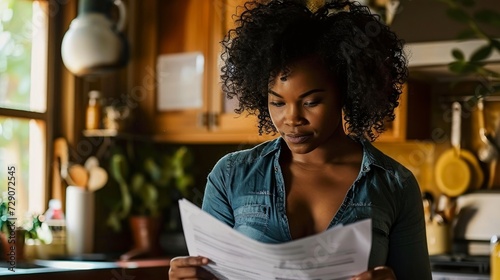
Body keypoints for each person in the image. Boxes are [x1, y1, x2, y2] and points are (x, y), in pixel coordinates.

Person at [169, 0, 432, 279]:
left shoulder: (395, 185)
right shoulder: (231, 176)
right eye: (278, 103)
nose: (292, 119)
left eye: (311, 102)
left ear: (346, 92)